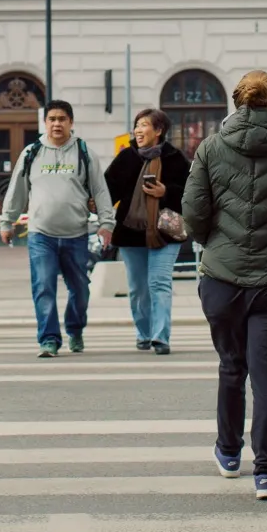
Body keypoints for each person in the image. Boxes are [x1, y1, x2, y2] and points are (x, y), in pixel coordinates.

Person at [184, 71, 267, 500]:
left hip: (221, 280)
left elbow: (194, 211)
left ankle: (228, 451)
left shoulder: (210, 148)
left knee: (230, 366)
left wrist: (215, 243)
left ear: (238, 101)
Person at [0, 99, 107, 359]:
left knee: (80, 289)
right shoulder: (31, 153)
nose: (57, 124)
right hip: (41, 235)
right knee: (44, 287)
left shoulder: (83, 152)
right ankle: (48, 339)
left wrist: (106, 223)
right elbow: (17, 190)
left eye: (62, 119)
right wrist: (7, 221)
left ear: (71, 122)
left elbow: (100, 190)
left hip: (76, 234)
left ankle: (75, 328)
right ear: (45, 122)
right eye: (52, 119)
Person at [102, 108, 193, 353]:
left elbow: (192, 193)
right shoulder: (126, 158)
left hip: (165, 232)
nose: (139, 130)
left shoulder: (176, 158)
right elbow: (107, 191)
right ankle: (143, 333)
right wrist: (98, 214)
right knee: (138, 289)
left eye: (144, 125)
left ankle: (160, 337)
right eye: (137, 125)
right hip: (131, 233)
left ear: (159, 130)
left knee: (159, 283)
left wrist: (167, 192)